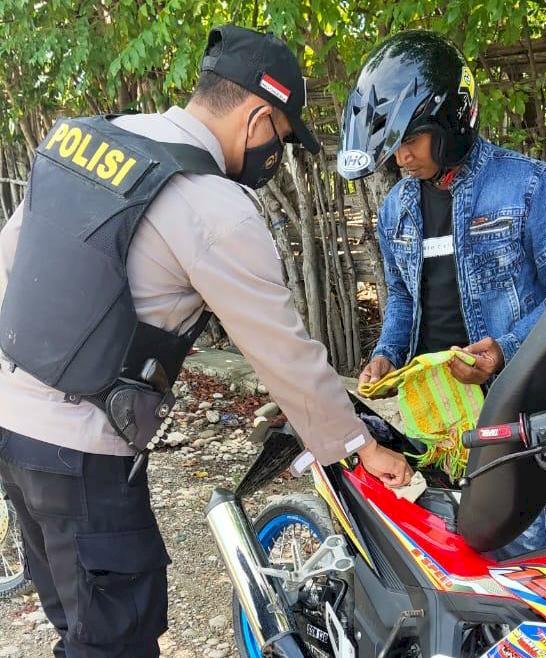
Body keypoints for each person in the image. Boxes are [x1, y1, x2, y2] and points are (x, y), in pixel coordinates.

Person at [0, 26, 410, 658]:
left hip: (12, 432)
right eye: (282, 139)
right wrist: (356, 444)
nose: (278, 158)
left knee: (74, 621)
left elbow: (11, 263)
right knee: (115, 640)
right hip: (82, 458)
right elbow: (283, 349)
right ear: (258, 119)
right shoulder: (211, 203)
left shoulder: (88, 140)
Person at [338, 30, 546, 557]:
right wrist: (385, 353)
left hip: (505, 417)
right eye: (392, 144)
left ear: (452, 122)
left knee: (518, 564)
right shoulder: (395, 210)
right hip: (428, 418)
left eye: (412, 138)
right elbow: (403, 300)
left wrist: (503, 351)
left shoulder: (530, 187)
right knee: (437, 563)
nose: (400, 156)